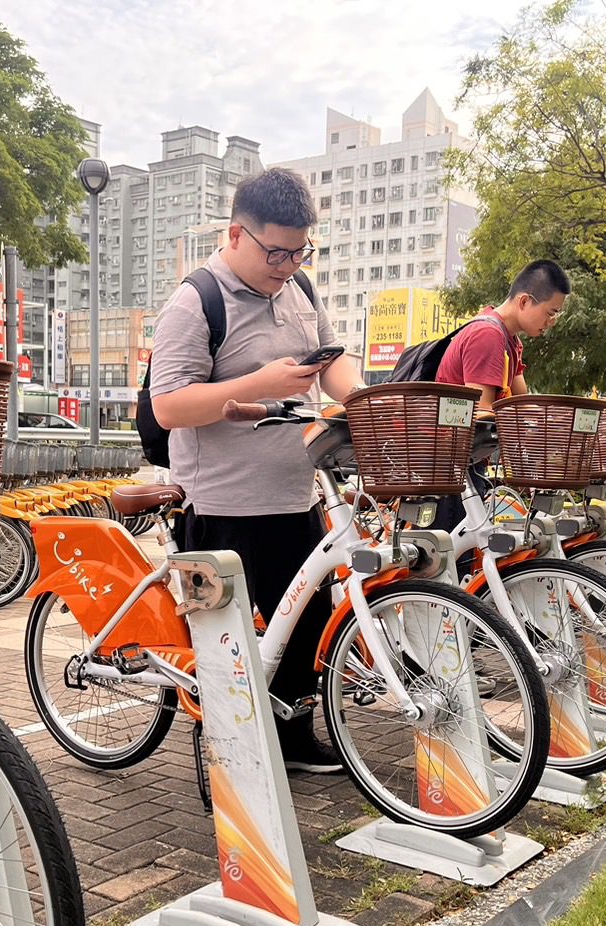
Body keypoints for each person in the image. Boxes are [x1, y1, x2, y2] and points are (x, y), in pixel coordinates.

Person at [148, 168, 365, 773]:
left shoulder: (302, 291)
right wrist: (260, 384)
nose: (288, 263)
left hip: (296, 496)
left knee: (305, 625)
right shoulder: (197, 301)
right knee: (229, 637)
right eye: (276, 251)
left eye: (301, 251)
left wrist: (363, 400)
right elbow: (169, 405)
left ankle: (293, 741)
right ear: (236, 234)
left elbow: (332, 363)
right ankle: (223, 755)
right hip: (223, 508)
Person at [433, 259, 570, 527]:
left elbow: (521, 403)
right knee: (453, 559)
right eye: (550, 312)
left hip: (468, 460)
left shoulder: (510, 340)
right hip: (451, 464)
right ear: (524, 302)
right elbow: (482, 413)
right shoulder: (488, 335)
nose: (552, 322)